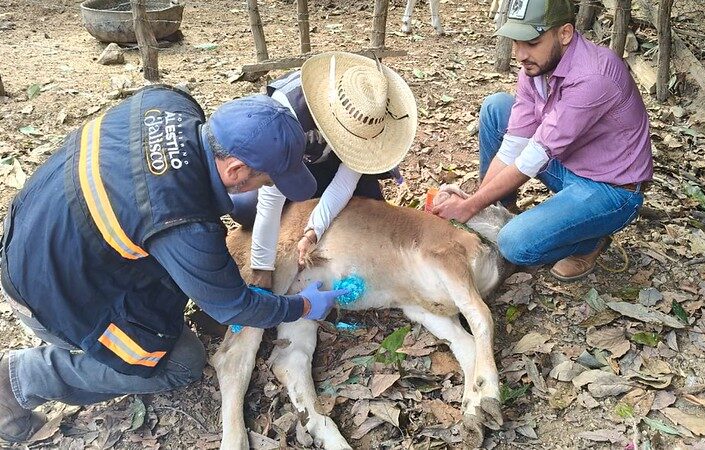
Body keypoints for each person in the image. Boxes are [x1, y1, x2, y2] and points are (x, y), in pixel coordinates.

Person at [0, 85, 349, 443]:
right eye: (268, 179)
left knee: (178, 274)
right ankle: (21, 379)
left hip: (32, 232)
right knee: (183, 361)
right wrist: (303, 305)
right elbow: (235, 307)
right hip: (45, 294)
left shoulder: (168, 103)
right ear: (237, 169)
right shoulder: (183, 222)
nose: (269, 187)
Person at [433, 0, 653, 282]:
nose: (521, 55)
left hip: (610, 190)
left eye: (533, 42)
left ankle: (591, 242)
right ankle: (501, 210)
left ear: (564, 34)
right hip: (568, 163)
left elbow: (531, 158)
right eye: (516, 42)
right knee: (497, 107)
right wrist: (477, 202)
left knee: (515, 245)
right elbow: (514, 145)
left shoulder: (592, 76)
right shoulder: (535, 67)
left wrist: (470, 207)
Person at [228, 51, 417, 289]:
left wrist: (313, 231)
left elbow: (344, 183)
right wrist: (262, 267)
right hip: (296, 163)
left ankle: (309, 209)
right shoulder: (288, 113)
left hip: (328, 162)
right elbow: (271, 194)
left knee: (370, 211)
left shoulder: (368, 117)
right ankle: (297, 209)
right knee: (244, 207)